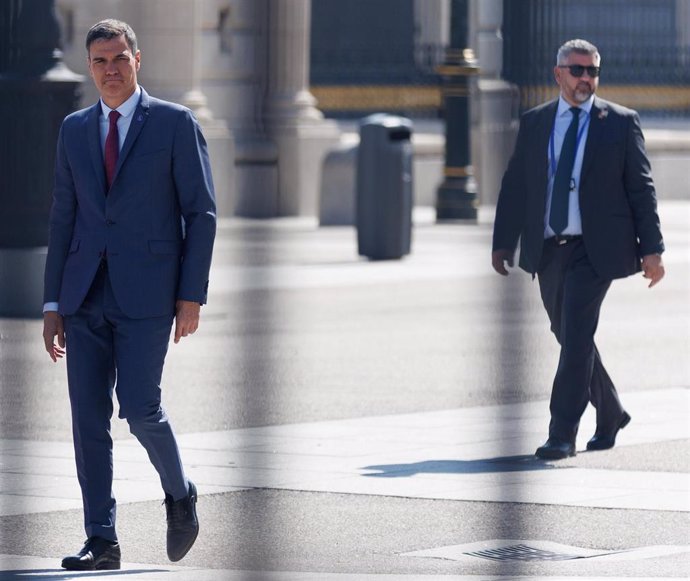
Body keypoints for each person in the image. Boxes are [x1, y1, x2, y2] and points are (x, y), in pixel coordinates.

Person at [42, 19, 216, 569]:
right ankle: (102, 540)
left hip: (147, 294)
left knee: (140, 410)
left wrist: (191, 296)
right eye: (99, 61)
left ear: (137, 60)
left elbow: (201, 214)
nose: (110, 70)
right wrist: (52, 304)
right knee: (87, 421)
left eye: (119, 58)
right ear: (89, 67)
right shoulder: (73, 129)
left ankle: (180, 493)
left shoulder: (173, 123)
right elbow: (63, 219)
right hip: (84, 294)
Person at [491, 39, 665, 460]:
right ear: (559, 74)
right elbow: (516, 186)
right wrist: (502, 242)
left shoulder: (620, 123)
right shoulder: (535, 123)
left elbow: (641, 188)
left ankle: (562, 432)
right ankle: (610, 411)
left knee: (576, 335)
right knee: (569, 336)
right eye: (578, 70)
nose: (586, 78)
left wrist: (652, 249)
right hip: (548, 247)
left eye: (592, 72)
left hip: (596, 249)